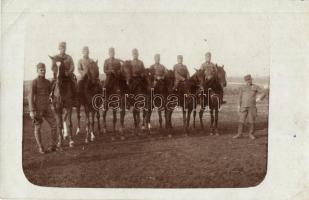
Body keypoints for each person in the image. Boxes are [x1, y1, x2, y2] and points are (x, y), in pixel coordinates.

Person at [28, 63, 57, 154]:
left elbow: (50, 92)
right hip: (38, 109)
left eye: (44, 69)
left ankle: (53, 146)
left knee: (54, 125)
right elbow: (30, 96)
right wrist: (32, 110)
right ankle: (41, 147)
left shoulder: (48, 82)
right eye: (41, 70)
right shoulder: (34, 82)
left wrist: (54, 82)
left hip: (47, 108)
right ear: (37, 71)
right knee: (38, 128)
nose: (43, 71)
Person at [233, 74, 267, 140]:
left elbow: (264, 92)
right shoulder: (242, 87)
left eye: (250, 80)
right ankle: (239, 134)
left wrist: (259, 98)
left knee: (251, 120)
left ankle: (251, 134)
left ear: (251, 80)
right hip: (243, 106)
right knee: (241, 120)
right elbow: (240, 97)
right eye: (247, 80)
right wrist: (238, 105)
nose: (249, 81)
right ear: (245, 81)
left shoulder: (255, 87)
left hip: (252, 106)